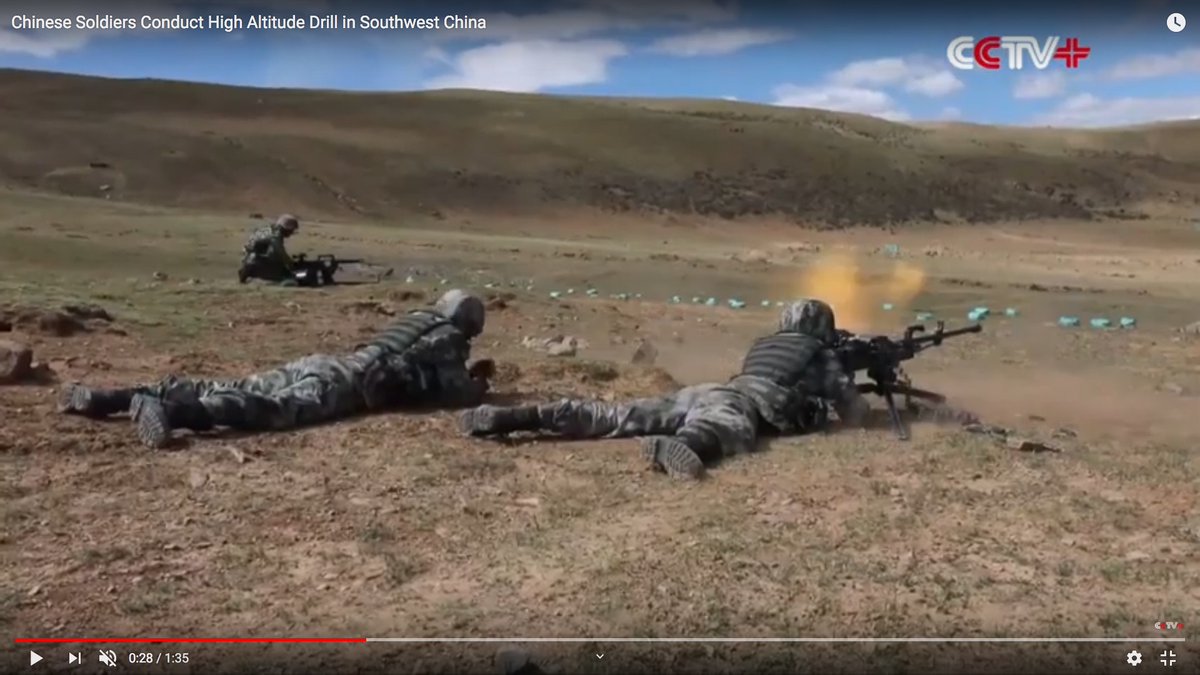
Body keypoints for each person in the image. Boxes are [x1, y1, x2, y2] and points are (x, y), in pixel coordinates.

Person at [459, 299, 870, 480]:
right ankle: (683, 447)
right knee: (729, 428)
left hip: (709, 389)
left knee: (621, 414)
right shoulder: (820, 352)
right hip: (739, 400)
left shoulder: (766, 344)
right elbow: (852, 411)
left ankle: (521, 417)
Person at [57, 290, 493, 448]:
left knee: (233, 382)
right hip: (350, 384)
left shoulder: (417, 319)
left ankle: (111, 396)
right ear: (470, 323)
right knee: (270, 408)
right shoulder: (450, 338)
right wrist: (480, 386)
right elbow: (452, 392)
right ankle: (172, 413)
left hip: (329, 361)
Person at [239, 213, 300, 283]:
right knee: (285, 276)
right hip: (255, 262)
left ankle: (248, 273)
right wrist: (290, 263)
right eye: (291, 230)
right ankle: (252, 274)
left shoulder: (267, 230)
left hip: (248, 260)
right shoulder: (276, 235)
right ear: (286, 228)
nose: (291, 233)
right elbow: (279, 251)